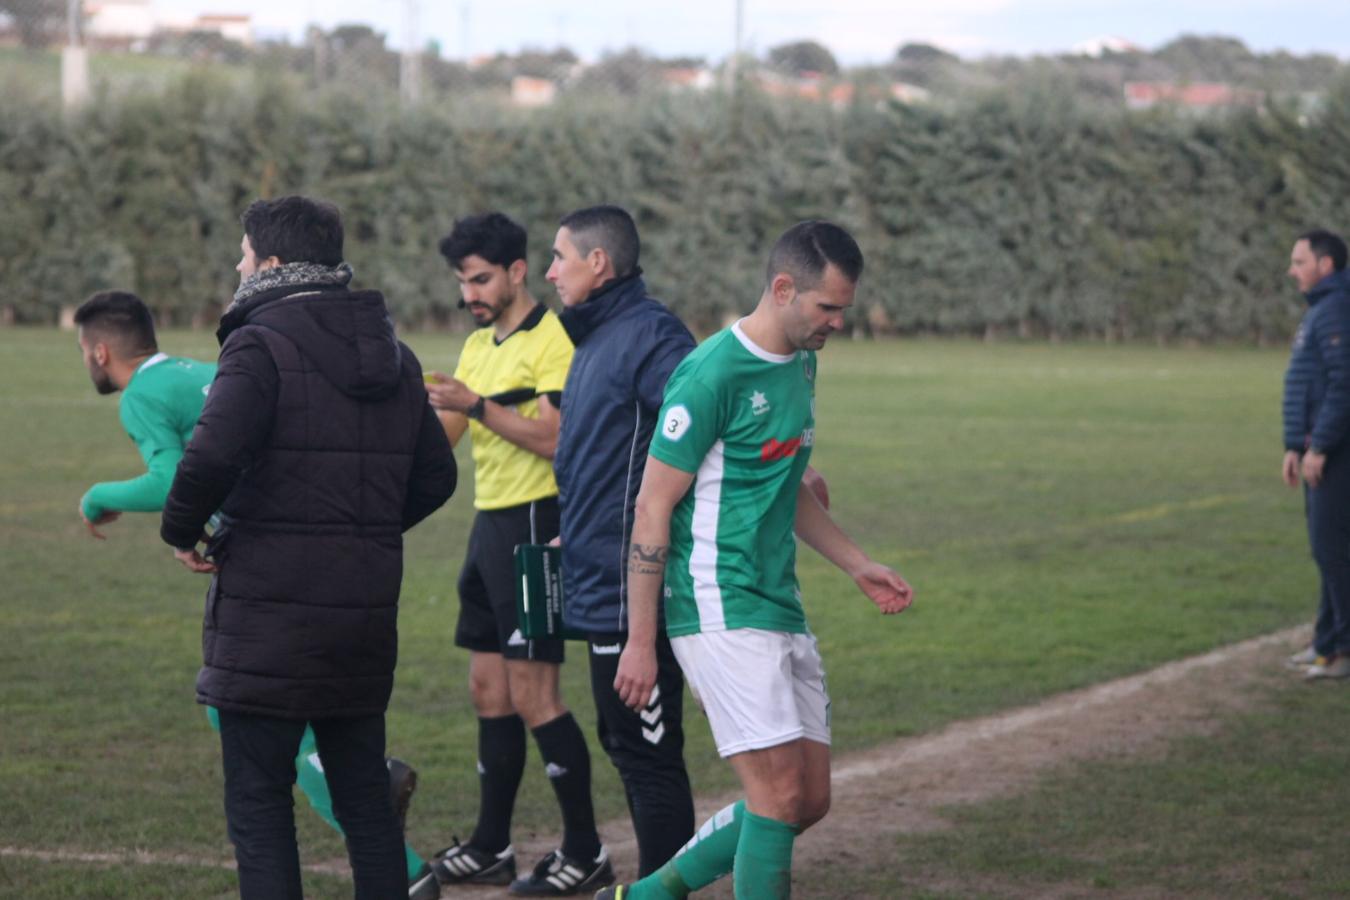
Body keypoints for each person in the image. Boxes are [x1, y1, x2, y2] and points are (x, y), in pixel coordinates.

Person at [73, 290, 442, 900]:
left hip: (267, 574)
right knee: (302, 721)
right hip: (334, 572)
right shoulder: (196, 369)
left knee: (259, 751)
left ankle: (406, 865)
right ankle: (390, 838)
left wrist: (97, 496)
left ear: (101, 350)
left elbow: (172, 480)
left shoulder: (141, 395)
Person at [597, 220, 914, 900]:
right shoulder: (710, 375)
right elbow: (652, 509)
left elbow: (784, 486)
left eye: (843, 309)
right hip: (715, 601)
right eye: (827, 307)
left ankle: (648, 896)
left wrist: (857, 564)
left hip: (777, 600)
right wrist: (641, 641)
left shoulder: (802, 361)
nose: (837, 322)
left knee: (809, 799)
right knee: (776, 796)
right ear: (782, 288)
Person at [160, 195, 458, 899]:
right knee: (364, 802)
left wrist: (182, 531)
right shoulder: (395, 352)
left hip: (267, 615)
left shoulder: (259, 343)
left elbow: (205, 459)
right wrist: (363, 530)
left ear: (270, 261)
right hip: (360, 615)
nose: (236, 265)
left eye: (242, 252)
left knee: (261, 807)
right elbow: (436, 476)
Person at [422, 212, 607, 895]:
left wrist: (476, 407)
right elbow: (440, 437)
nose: (470, 292)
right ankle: (491, 846)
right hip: (488, 529)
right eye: (463, 281)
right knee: (488, 690)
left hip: (538, 525)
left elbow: (557, 441)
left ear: (518, 271)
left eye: (481, 278)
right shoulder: (476, 346)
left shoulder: (553, 338)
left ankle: (585, 853)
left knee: (536, 694)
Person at [547, 205, 698, 879]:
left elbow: (698, 439)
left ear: (598, 262)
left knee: (649, 756)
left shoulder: (652, 337)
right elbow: (606, 463)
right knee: (627, 744)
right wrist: (569, 531)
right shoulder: (597, 338)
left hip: (635, 592)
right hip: (599, 582)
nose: (551, 271)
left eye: (559, 257)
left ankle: (661, 893)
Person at [1282, 229, 1350, 680]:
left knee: (1333, 549)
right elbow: (1307, 385)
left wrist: (1320, 446)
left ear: (1326, 265)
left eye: (1299, 262)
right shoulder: (1322, 310)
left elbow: (1344, 386)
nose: (1292, 271)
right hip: (1313, 447)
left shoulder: (1337, 311)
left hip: (1335, 452)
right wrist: (1294, 444)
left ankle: (1344, 649)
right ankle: (1326, 642)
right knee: (1326, 549)